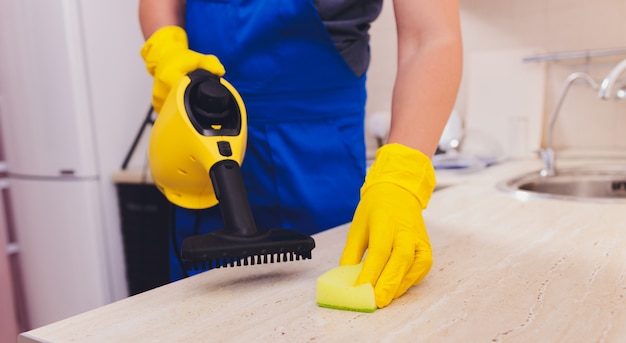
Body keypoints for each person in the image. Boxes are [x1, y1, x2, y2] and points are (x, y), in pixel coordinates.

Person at [138, 0, 462, 309]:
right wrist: (166, 49)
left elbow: (431, 37)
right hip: (203, 147)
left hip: (320, 163)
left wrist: (401, 176)